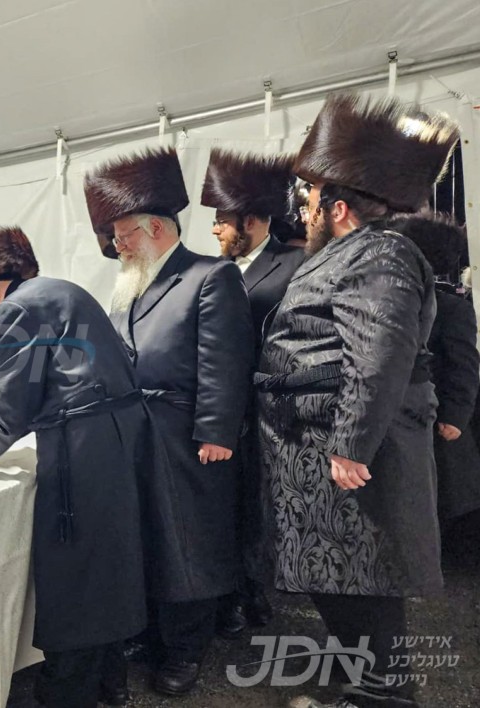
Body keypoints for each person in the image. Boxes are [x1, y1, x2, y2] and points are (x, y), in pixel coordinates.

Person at [257, 94, 459, 708]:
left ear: (337, 208)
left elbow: (380, 353)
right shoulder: (350, 253)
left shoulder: (379, 252)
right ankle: (368, 693)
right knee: (342, 588)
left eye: (311, 199)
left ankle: (385, 698)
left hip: (347, 464)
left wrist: (350, 446)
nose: (305, 210)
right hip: (319, 459)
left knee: (364, 592)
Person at [0, 227, 151, 708]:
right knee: (108, 566)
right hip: (114, 437)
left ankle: (66, 692)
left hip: (82, 447)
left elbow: (18, 402)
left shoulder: (16, 308)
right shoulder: (59, 291)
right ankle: (109, 682)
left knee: (73, 572)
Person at [84, 147, 254, 696]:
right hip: (134, 436)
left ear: (154, 227)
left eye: (122, 235)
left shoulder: (210, 275)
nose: (116, 245)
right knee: (149, 541)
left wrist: (216, 432)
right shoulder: (128, 286)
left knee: (189, 545)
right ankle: (153, 633)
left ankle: (185, 650)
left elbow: (226, 360)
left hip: (185, 436)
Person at [200, 147, 305, 637]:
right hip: (224, 410)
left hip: (272, 410)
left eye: (222, 220)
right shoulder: (209, 270)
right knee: (228, 505)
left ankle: (252, 591)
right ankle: (231, 592)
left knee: (260, 506)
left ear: (253, 219)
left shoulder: (297, 264)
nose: (215, 230)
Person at [390, 212, 480, 522]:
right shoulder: (390, 299)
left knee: (437, 500)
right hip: (397, 417)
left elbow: (464, 364)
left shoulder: (451, 308)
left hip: (435, 420)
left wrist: (455, 414)